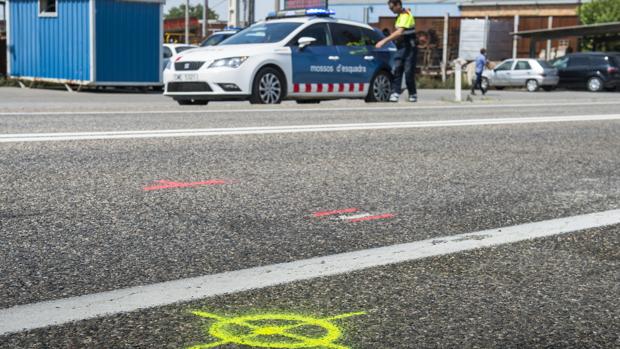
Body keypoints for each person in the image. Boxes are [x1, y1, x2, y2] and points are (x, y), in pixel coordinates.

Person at [375, 0, 418, 103]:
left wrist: (384, 41)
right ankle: (395, 93)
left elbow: (399, 32)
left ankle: (412, 93)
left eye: (392, 8)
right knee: (397, 69)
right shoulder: (400, 15)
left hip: (409, 47)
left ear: (398, 5)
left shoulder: (405, 15)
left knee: (408, 72)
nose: (391, 10)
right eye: (390, 8)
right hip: (400, 47)